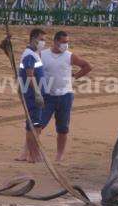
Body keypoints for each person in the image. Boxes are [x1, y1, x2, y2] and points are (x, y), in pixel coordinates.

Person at [40, 31, 91, 162]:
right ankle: (31, 151)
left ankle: (59, 155)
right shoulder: (43, 54)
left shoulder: (70, 56)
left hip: (65, 96)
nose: (66, 45)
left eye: (67, 42)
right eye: (63, 42)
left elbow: (87, 66)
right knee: (38, 124)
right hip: (47, 96)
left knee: (62, 128)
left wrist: (74, 77)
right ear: (56, 41)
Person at [16, 28, 47, 163]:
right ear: (33, 39)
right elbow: (29, 75)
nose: (43, 42)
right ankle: (32, 155)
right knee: (33, 125)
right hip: (32, 95)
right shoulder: (29, 55)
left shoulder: (34, 54)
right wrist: (37, 94)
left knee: (35, 124)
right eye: (41, 39)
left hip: (32, 93)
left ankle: (28, 153)